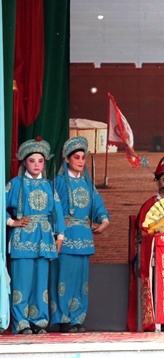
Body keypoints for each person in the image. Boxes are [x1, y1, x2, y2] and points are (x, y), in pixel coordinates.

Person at [5, 138, 65, 335]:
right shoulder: (15, 184)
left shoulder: (49, 185)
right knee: (22, 282)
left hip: (44, 238)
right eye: (32, 161)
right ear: (25, 162)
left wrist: (60, 236)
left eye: (40, 161)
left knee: (41, 283)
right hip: (23, 238)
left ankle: (39, 321)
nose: (37, 165)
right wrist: (11, 222)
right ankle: (21, 322)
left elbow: (57, 211)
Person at [50, 136, 110, 333]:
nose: (81, 161)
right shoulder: (58, 182)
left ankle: (77, 318)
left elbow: (98, 206)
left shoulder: (87, 184)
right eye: (76, 157)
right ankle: (63, 318)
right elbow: (51, 207)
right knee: (63, 279)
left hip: (84, 237)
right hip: (65, 237)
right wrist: (58, 225)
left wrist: (104, 221)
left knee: (81, 282)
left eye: (83, 157)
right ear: (67, 159)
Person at [127, 153, 164, 332]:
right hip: (156, 257)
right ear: (158, 181)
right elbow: (142, 232)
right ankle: (161, 320)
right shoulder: (149, 205)